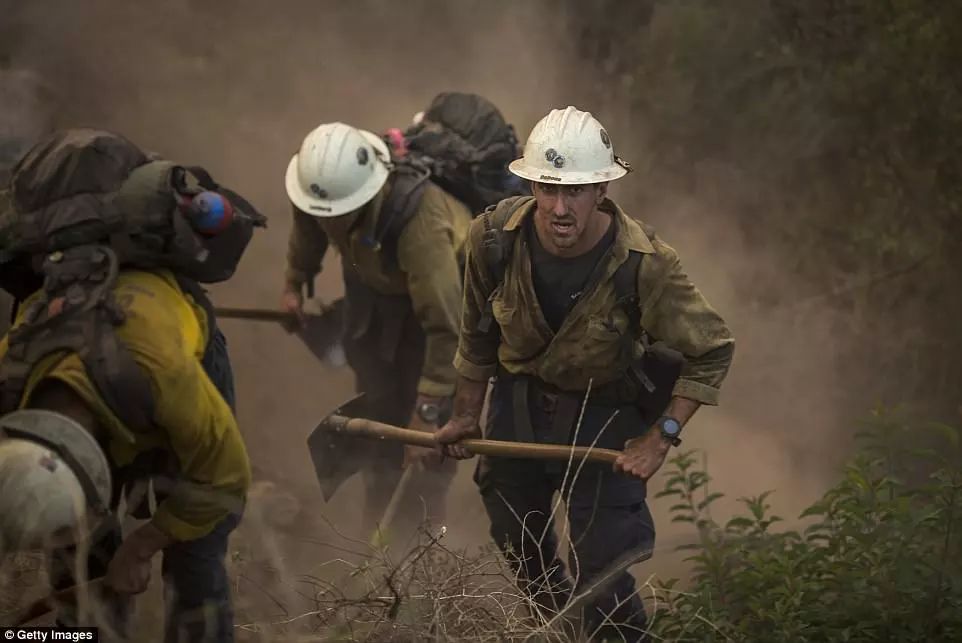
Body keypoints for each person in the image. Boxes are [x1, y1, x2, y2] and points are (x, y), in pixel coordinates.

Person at [435, 106, 735, 641]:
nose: (559, 207)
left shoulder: (645, 264)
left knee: (605, 571)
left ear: (602, 189)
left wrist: (660, 437)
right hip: (518, 407)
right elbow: (476, 337)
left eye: (575, 190)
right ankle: (558, 629)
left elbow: (712, 350)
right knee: (518, 542)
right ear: (528, 183)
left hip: (603, 414)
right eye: (547, 189)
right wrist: (464, 415)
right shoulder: (492, 240)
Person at [0, 128, 261, 643]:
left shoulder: (161, 370)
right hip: (107, 391)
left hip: (173, 347)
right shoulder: (11, 372)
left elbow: (225, 479)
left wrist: (140, 547)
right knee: (76, 563)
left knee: (195, 556)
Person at [282, 121, 471, 537]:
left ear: (365, 196)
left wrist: (426, 413)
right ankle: (378, 511)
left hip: (438, 314)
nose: (325, 219)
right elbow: (310, 225)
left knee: (428, 442)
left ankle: (426, 535)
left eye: (336, 213)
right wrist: (295, 281)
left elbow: (447, 327)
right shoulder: (322, 194)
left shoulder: (419, 226)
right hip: (376, 294)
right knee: (380, 410)